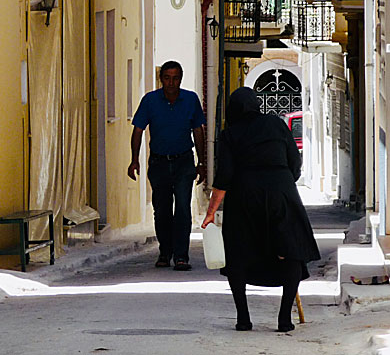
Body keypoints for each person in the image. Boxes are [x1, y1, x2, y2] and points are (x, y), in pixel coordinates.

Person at [201, 87, 320, 332]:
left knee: (238, 254)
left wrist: (211, 211)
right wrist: (283, 180)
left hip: (243, 196)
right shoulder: (276, 125)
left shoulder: (230, 134)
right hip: (281, 191)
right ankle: (284, 318)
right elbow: (294, 163)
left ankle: (243, 318)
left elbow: (224, 177)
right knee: (290, 250)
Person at [129, 61, 207, 271]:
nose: (171, 82)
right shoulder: (150, 101)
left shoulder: (190, 99)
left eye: (175, 78)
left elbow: (198, 131)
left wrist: (202, 162)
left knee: (182, 208)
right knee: (161, 210)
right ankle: (165, 252)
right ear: (161, 79)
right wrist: (134, 159)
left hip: (183, 162)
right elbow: (138, 130)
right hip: (159, 163)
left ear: (180, 79)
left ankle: (181, 256)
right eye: (167, 78)